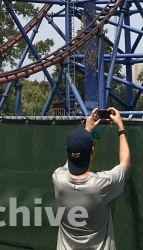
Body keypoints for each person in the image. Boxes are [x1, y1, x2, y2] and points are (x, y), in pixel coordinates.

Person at [51, 107, 131, 250]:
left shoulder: (58, 178)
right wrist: (120, 127)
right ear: (92, 151)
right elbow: (125, 163)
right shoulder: (100, 185)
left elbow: (70, 160)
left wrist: (86, 131)